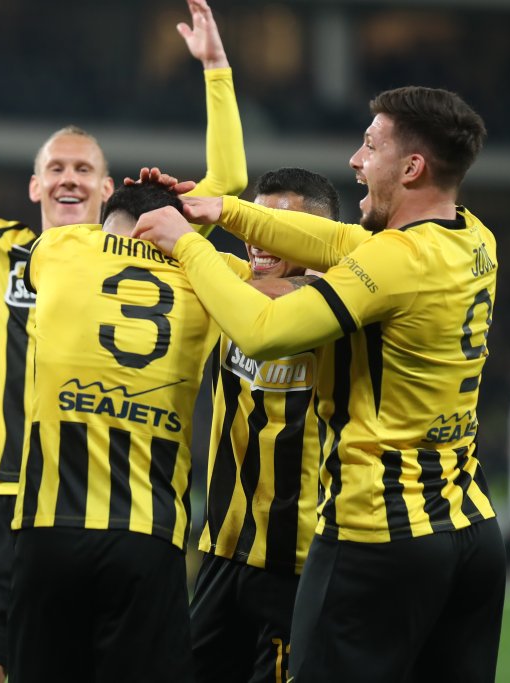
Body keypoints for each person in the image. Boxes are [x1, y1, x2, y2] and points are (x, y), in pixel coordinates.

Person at [0, 1, 245, 679]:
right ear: (34, 184)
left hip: (90, 503)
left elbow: (226, 186)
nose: (68, 177)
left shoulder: (154, 251)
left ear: (108, 188)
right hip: (10, 490)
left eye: (83, 169)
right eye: (56, 167)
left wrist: (215, 69)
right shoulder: (1, 246)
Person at [133, 85, 504, 682]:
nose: (356, 160)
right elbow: (336, 241)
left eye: (371, 146)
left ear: (412, 167)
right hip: (469, 525)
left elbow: (264, 331)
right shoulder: (473, 237)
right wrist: (221, 210)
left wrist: (186, 245)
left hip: (380, 530)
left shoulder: (395, 263)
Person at [189, 167, 340, 683]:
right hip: (221, 549)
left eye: (276, 227)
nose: (257, 238)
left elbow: (303, 294)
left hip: (298, 560)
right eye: (253, 223)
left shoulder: (349, 298)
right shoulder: (231, 282)